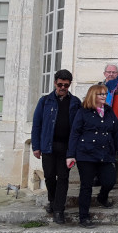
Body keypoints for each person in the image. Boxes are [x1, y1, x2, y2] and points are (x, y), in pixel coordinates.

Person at [66, 85, 118, 228]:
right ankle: (84, 217)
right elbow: (75, 133)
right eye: (100, 94)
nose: (104, 96)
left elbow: (117, 132)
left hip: (106, 153)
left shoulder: (109, 112)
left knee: (109, 181)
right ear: (93, 95)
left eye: (105, 94)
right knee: (86, 186)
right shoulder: (83, 112)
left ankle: (102, 197)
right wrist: (70, 155)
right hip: (86, 154)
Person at [31, 69, 82, 224]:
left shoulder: (75, 102)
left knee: (64, 177)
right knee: (49, 176)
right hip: (48, 145)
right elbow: (37, 124)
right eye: (60, 84)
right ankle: (52, 201)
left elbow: (78, 126)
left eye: (66, 85)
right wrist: (36, 146)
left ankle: (59, 210)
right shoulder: (45, 101)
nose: (62, 88)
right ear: (55, 83)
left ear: (69, 85)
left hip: (66, 147)